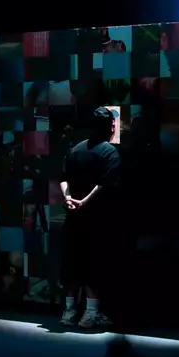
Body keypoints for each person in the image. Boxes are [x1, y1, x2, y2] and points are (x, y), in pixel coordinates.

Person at [59, 106, 124, 338]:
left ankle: (68, 313)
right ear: (109, 126)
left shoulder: (75, 150)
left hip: (73, 219)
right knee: (93, 266)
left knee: (72, 264)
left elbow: (63, 178)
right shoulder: (109, 152)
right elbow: (105, 184)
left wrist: (68, 199)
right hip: (97, 221)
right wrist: (84, 201)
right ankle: (89, 316)